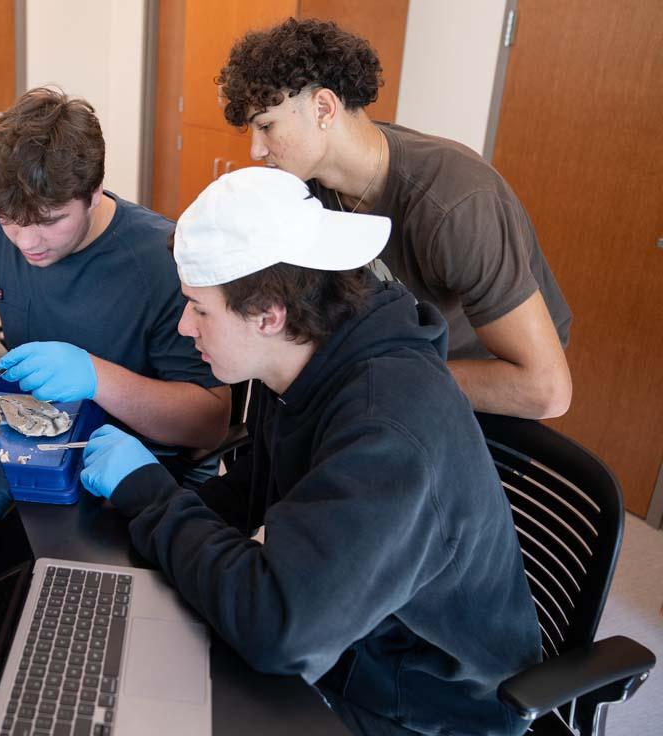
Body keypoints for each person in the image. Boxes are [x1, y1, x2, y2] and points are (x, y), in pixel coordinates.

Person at [80, 167, 541, 735]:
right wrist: (139, 506)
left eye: (199, 309)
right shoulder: (303, 360)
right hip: (351, 645)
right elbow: (254, 494)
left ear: (269, 315)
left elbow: (281, 631)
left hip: (418, 705)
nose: (184, 326)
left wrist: (152, 499)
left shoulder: (386, 429)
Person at [216, 17, 572, 420]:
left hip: (481, 391)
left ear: (323, 108)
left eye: (266, 126)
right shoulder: (308, 184)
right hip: (400, 362)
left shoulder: (455, 206)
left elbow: (544, 390)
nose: (256, 150)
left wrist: (371, 375)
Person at [0, 87, 230, 481]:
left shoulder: (163, 259)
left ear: (93, 193)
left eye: (50, 221)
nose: (27, 242)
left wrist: (97, 378)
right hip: (35, 447)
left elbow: (209, 424)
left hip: (133, 470)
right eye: (11, 220)